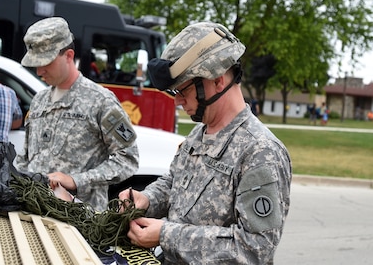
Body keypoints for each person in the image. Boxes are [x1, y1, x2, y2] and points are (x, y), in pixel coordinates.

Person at [119, 22, 292, 264]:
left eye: (183, 91)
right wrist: (146, 200)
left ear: (218, 80)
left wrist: (165, 235)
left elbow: (255, 248)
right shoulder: (198, 134)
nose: (178, 102)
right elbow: (173, 183)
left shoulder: (260, 151)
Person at [16, 17, 139, 211]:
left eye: (46, 62)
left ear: (68, 55)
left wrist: (76, 180)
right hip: (33, 211)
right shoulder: (39, 100)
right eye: (35, 64)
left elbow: (128, 158)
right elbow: (26, 156)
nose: (39, 71)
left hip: (78, 221)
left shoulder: (100, 100)